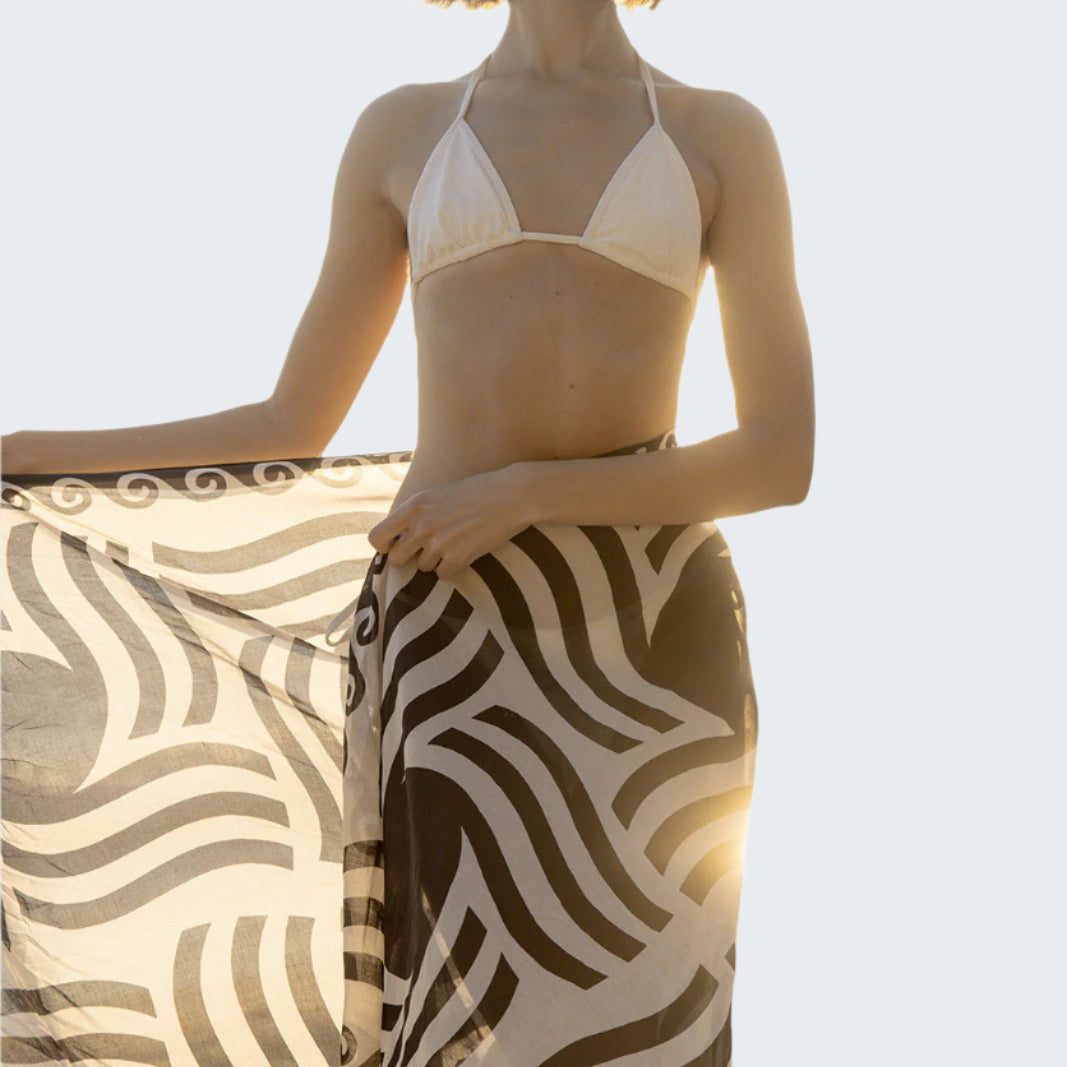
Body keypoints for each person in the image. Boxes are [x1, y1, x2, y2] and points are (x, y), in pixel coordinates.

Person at [2, 1, 814, 1064]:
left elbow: (777, 454)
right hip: (452, 631)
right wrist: (24, 449)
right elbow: (287, 421)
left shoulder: (719, 132)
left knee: (645, 1011)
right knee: (450, 1012)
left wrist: (524, 491)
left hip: (650, 640)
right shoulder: (405, 129)